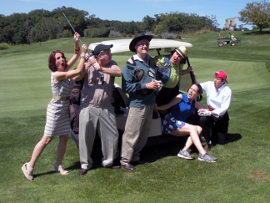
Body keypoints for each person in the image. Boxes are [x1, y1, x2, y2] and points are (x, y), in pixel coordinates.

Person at [21, 33, 89, 181]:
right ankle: (29, 166)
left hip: (65, 107)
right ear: (53, 62)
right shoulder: (56, 75)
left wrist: (76, 42)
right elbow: (78, 71)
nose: (62, 59)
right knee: (47, 139)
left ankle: (58, 165)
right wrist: (84, 55)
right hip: (55, 109)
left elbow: (76, 54)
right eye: (58, 58)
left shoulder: (64, 70)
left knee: (64, 137)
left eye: (62, 57)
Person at [76, 43, 122, 175]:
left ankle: (108, 162)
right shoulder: (88, 63)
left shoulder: (112, 63)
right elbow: (77, 77)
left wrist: (102, 69)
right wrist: (88, 65)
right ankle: (85, 164)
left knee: (112, 136)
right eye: (108, 52)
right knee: (85, 137)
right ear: (100, 55)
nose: (111, 54)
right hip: (88, 106)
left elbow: (118, 73)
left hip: (106, 107)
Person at [120, 33, 161, 171]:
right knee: (132, 133)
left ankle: (135, 157)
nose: (145, 46)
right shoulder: (131, 64)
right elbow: (126, 87)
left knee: (143, 133)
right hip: (137, 104)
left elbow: (150, 78)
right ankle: (125, 160)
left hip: (149, 102)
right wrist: (146, 86)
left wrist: (155, 85)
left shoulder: (150, 60)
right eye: (142, 44)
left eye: (147, 44)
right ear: (136, 47)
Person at [154, 83, 218, 162]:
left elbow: (204, 109)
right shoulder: (181, 97)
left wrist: (217, 111)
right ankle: (203, 153)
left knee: (199, 128)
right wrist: (158, 108)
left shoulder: (194, 102)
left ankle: (184, 150)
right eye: (190, 89)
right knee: (193, 128)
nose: (191, 91)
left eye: (194, 90)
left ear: (198, 94)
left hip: (179, 124)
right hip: (170, 122)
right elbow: (168, 105)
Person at [197, 70, 232, 150]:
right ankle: (208, 141)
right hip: (210, 112)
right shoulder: (210, 84)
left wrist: (210, 112)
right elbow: (198, 86)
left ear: (223, 81)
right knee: (202, 120)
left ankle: (215, 132)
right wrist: (193, 78)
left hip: (221, 116)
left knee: (221, 141)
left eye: (218, 79)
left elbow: (223, 108)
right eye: (214, 78)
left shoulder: (227, 91)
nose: (215, 80)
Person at [154, 46, 193, 118]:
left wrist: (187, 71)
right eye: (176, 53)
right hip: (161, 91)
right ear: (173, 52)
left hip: (172, 92)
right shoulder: (164, 59)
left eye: (179, 57)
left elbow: (178, 73)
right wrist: (155, 67)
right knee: (162, 111)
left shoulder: (179, 65)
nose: (176, 57)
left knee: (173, 110)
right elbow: (151, 62)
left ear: (181, 60)